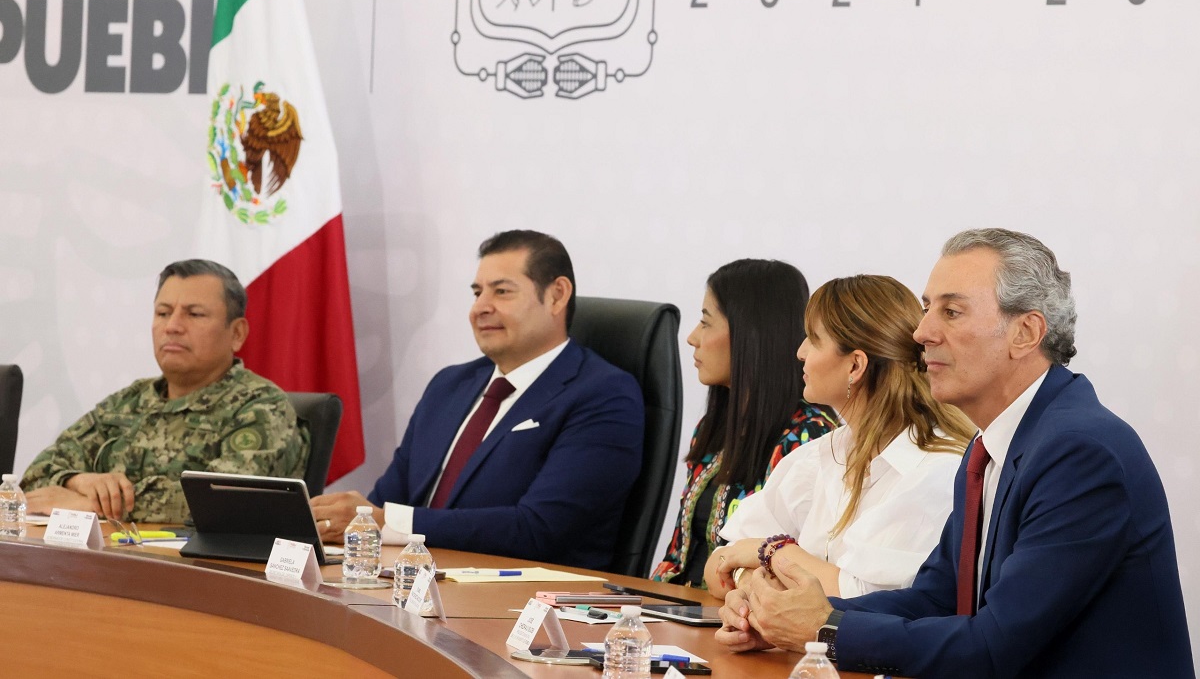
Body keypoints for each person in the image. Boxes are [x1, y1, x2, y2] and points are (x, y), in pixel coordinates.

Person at [716, 229, 1194, 678]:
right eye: (927, 309)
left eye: (952, 312)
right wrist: (783, 617)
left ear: (1025, 333)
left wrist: (823, 630)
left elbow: (994, 645)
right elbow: (934, 600)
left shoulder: (1081, 452)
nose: (922, 332)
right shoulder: (990, 445)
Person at [311, 230, 643, 570]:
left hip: (521, 603)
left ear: (557, 296)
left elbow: (538, 530)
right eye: (477, 292)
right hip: (407, 584)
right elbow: (386, 502)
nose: (480, 308)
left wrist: (386, 523)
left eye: (501, 291)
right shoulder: (448, 386)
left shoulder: (604, 395)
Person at [705, 275, 975, 599]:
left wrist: (774, 552)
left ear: (855, 366)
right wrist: (751, 590)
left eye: (813, 339)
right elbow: (722, 558)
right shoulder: (820, 454)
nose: (801, 352)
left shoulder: (934, 473)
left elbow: (861, 599)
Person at [21, 259, 308, 523]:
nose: (172, 327)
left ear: (236, 333)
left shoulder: (260, 406)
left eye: (194, 314)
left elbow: (226, 499)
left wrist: (98, 506)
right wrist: (78, 481)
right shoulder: (130, 401)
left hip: (204, 572)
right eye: (163, 312)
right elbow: (34, 481)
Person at [650, 259, 837, 588]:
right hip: (679, 609)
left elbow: (787, 575)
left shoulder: (807, 436)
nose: (692, 337)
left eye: (706, 323)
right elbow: (678, 557)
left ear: (750, 333)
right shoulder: (714, 425)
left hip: (736, 619)